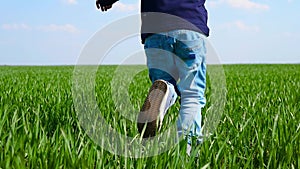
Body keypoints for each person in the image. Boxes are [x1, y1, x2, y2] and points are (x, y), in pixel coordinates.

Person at [96, 0, 209, 155]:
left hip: (155, 30)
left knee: (164, 81)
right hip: (190, 26)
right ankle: (186, 152)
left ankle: (166, 89)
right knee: (192, 95)